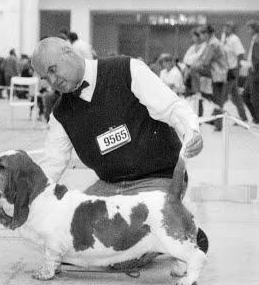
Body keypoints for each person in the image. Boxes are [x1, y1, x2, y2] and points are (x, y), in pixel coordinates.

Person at [32, 36, 202, 218]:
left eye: (53, 69)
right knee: (72, 224)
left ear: (69, 53)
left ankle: (180, 232)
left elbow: (172, 108)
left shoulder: (127, 69)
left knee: (137, 229)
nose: (52, 80)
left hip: (160, 178)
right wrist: (25, 196)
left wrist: (191, 132)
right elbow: (52, 163)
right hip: (109, 186)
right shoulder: (60, 114)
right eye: (45, 77)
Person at [192, 25, 228, 131]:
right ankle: (218, 124)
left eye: (204, 33)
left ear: (209, 33)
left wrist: (194, 65)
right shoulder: (210, 43)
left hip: (218, 74)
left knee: (218, 100)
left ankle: (197, 91)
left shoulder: (213, 44)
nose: (202, 36)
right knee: (217, 100)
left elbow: (205, 61)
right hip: (215, 73)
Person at [221, 21, 248, 122]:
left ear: (232, 29)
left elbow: (240, 54)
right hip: (226, 69)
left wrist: (236, 68)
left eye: (228, 27)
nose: (226, 28)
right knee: (235, 96)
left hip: (232, 70)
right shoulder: (224, 37)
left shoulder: (235, 39)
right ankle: (243, 117)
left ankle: (216, 117)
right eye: (225, 26)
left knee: (223, 94)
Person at [242, 20, 259, 124]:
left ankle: (257, 119)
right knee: (245, 95)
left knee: (255, 97)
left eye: (249, 28)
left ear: (254, 29)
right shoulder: (254, 40)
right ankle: (256, 117)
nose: (248, 31)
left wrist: (253, 67)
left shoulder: (257, 40)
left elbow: (257, 59)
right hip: (251, 71)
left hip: (255, 73)